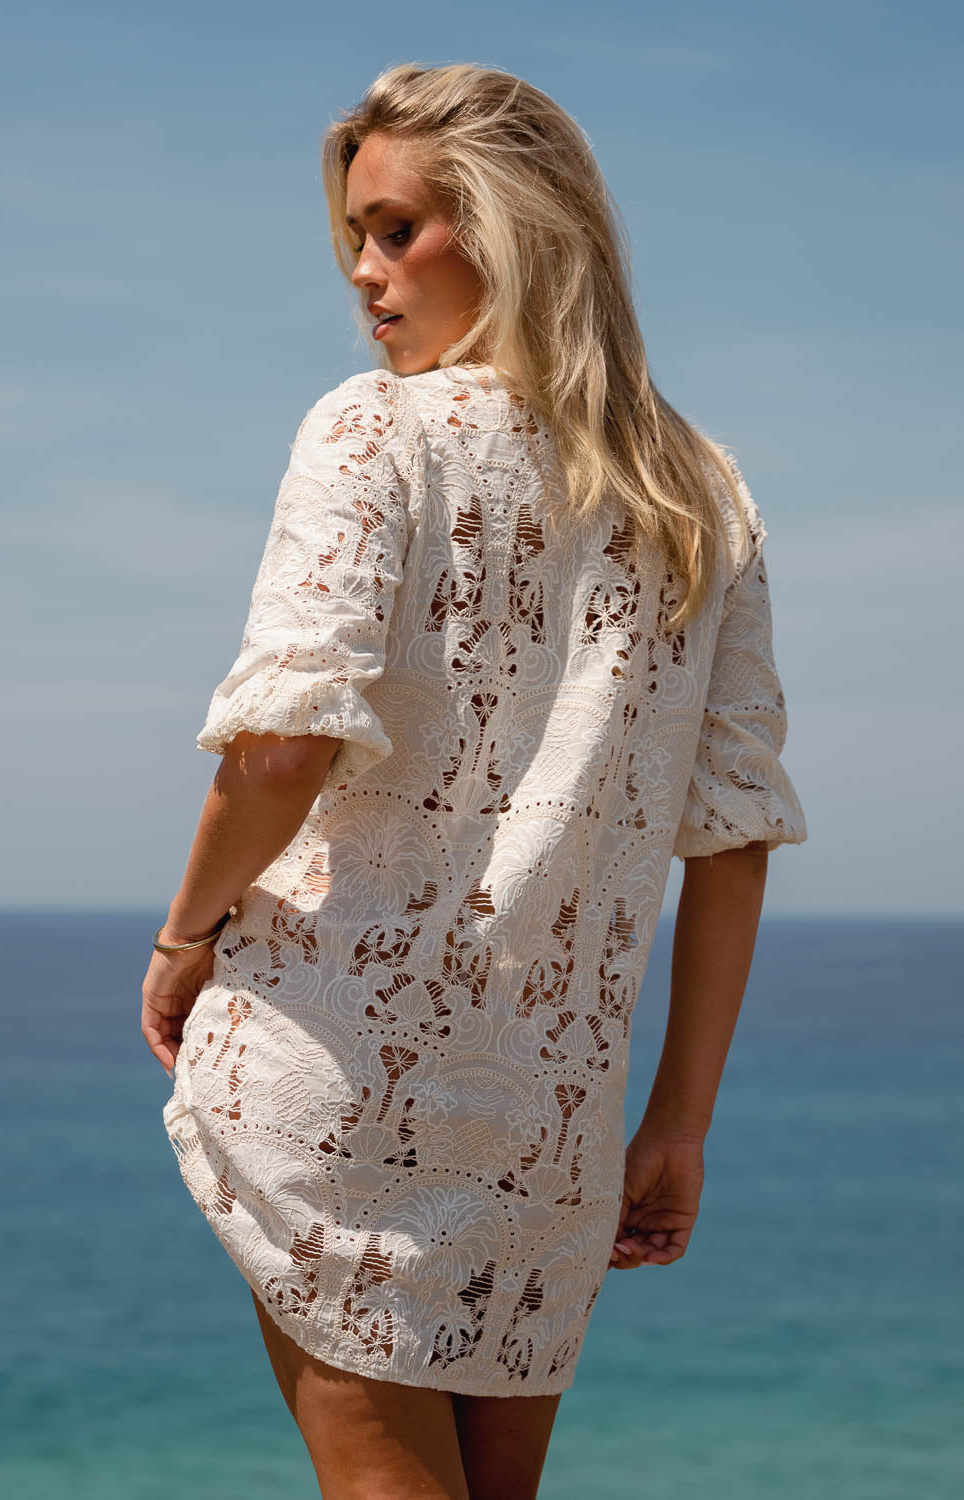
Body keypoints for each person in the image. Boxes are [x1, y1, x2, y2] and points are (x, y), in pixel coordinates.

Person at [142, 62, 807, 1500]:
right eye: (355, 239)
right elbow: (734, 835)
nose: (364, 275)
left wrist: (184, 935)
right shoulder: (702, 496)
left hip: (336, 1080)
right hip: (550, 1130)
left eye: (398, 230)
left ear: (511, 226)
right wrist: (679, 1122)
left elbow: (281, 748)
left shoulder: (370, 432)